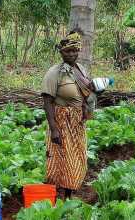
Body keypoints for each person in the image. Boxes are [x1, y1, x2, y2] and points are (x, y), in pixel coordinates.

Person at [41, 30, 95, 199]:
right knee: (63, 159)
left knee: (78, 157)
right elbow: (47, 101)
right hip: (62, 121)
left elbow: (87, 91)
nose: (72, 54)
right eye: (68, 51)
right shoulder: (54, 73)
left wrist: (87, 107)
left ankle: (69, 192)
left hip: (77, 122)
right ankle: (61, 194)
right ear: (61, 52)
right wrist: (54, 128)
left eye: (74, 50)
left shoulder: (81, 69)